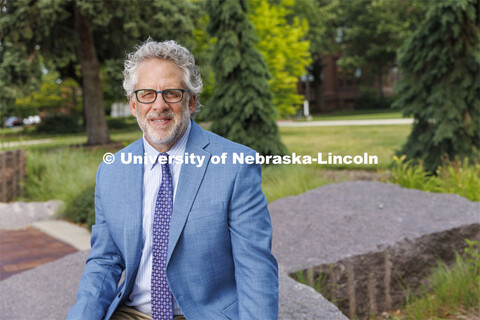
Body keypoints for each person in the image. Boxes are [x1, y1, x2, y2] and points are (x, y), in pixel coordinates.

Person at [66, 39, 278, 320]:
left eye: (172, 94)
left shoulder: (235, 165)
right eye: (146, 94)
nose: (159, 105)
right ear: (132, 104)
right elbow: (104, 260)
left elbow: (255, 268)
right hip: (131, 313)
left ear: (191, 102)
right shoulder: (112, 171)